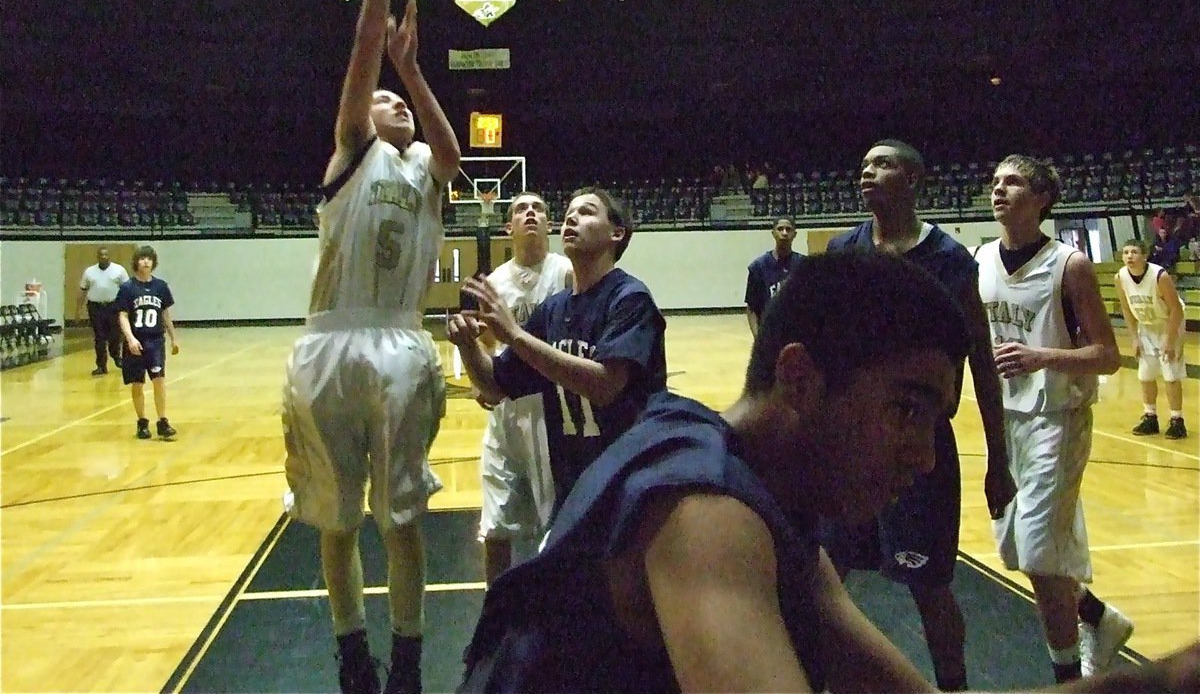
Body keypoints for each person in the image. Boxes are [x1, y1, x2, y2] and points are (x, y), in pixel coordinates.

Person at [458, 251, 1200, 694]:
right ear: (801, 377)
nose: (926, 456)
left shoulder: (760, 496)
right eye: (906, 410)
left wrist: (1162, 679)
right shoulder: (705, 516)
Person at [280, 0, 460, 694]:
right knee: (337, 517)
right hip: (331, 337)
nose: (390, 103)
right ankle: (354, 651)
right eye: (384, 97)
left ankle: (411, 655)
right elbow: (361, 50)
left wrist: (415, 72)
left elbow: (450, 153)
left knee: (404, 518)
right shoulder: (352, 151)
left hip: (400, 340)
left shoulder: (427, 170)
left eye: (400, 103)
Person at [819, 139, 1015, 692]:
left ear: (912, 180)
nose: (867, 172)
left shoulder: (949, 260)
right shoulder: (844, 251)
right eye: (863, 164)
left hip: (917, 447)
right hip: (853, 444)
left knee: (928, 586)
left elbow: (979, 357)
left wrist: (998, 461)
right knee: (825, 576)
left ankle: (953, 685)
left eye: (882, 164)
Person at [979, 155, 1132, 681]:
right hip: (1007, 419)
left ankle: (1068, 680)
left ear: (1042, 198)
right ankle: (1098, 617)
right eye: (996, 183)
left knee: (1042, 556)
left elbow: (1108, 355)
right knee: (1019, 550)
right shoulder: (982, 260)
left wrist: (1042, 356)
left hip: (1058, 418)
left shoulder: (1069, 265)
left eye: (1013, 182)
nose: (999, 191)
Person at [448, 187, 666, 517]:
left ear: (616, 234)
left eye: (587, 212)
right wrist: (467, 345)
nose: (573, 218)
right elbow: (495, 384)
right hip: (574, 481)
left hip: (629, 476)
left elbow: (605, 386)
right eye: (568, 215)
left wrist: (516, 336)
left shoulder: (630, 298)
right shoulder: (552, 310)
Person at [475, 191, 573, 583]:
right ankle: (494, 619)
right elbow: (488, 340)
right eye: (520, 209)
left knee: (555, 523)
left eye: (538, 209)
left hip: (552, 407)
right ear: (508, 227)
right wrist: (486, 380)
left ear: (548, 224)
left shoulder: (566, 271)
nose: (530, 213)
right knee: (495, 525)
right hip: (507, 411)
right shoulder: (495, 282)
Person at [1116, 239, 1187, 439]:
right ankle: (1150, 417)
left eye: (1134, 252)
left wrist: (1170, 340)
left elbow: (1176, 310)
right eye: (1126, 252)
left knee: (1170, 374)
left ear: (1145, 255)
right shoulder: (1120, 277)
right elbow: (1126, 308)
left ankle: (1177, 420)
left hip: (1169, 323)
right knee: (1145, 375)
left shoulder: (1159, 276)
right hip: (1146, 326)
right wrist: (1134, 337)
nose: (1129, 256)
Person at [115, 245, 179, 440]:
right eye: (142, 258)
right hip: (136, 340)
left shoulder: (161, 286)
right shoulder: (127, 288)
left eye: (149, 259)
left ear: (153, 262)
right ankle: (142, 422)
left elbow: (165, 314)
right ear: (136, 262)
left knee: (159, 380)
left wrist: (173, 337)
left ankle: (162, 420)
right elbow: (123, 316)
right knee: (137, 383)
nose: (145, 262)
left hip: (155, 340)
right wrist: (130, 338)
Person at [745, 217, 803, 336]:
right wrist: (758, 338)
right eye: (780, 229)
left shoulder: (803, 264)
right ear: (773, 233)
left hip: (797, 334)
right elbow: (751, 308)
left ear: (795, 234)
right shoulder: (758, 267)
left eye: (788, 229)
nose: (784, 233)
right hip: (769, 334)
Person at [77, 247, 129, 375]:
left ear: (109, 256)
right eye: (101, 255)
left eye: (106, 255)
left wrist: (128, 308)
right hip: (96, 307)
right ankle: (101, 365)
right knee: (99, 337)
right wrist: (78, 310)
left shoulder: (119, 270)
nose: (104, 257)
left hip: (113, 307)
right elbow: (82, 291)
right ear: (98, 257)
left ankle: (117, 357)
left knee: (115, 335)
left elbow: (128, 290)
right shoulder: (89, 272)